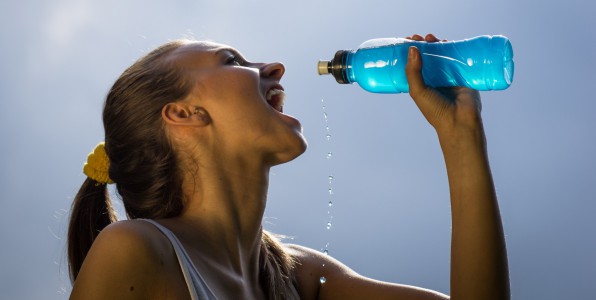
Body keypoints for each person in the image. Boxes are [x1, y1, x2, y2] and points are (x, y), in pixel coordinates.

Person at [68, 33, 510, 300]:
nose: (274, 66)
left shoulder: (297, 277)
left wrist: (461, 133)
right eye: (231, 61)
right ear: (184, 114)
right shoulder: (136, 250)